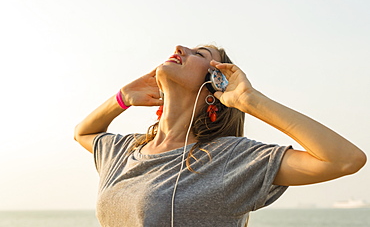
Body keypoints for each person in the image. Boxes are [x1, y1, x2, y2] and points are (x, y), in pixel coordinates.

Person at [74, 45, 366, 227]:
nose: (179, 48)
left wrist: (250, 101)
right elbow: (83, 133)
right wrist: (121, 99)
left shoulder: (229, 159)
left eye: (199, 55)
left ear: (215, 86)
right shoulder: (126, 150)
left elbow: (344, 160)